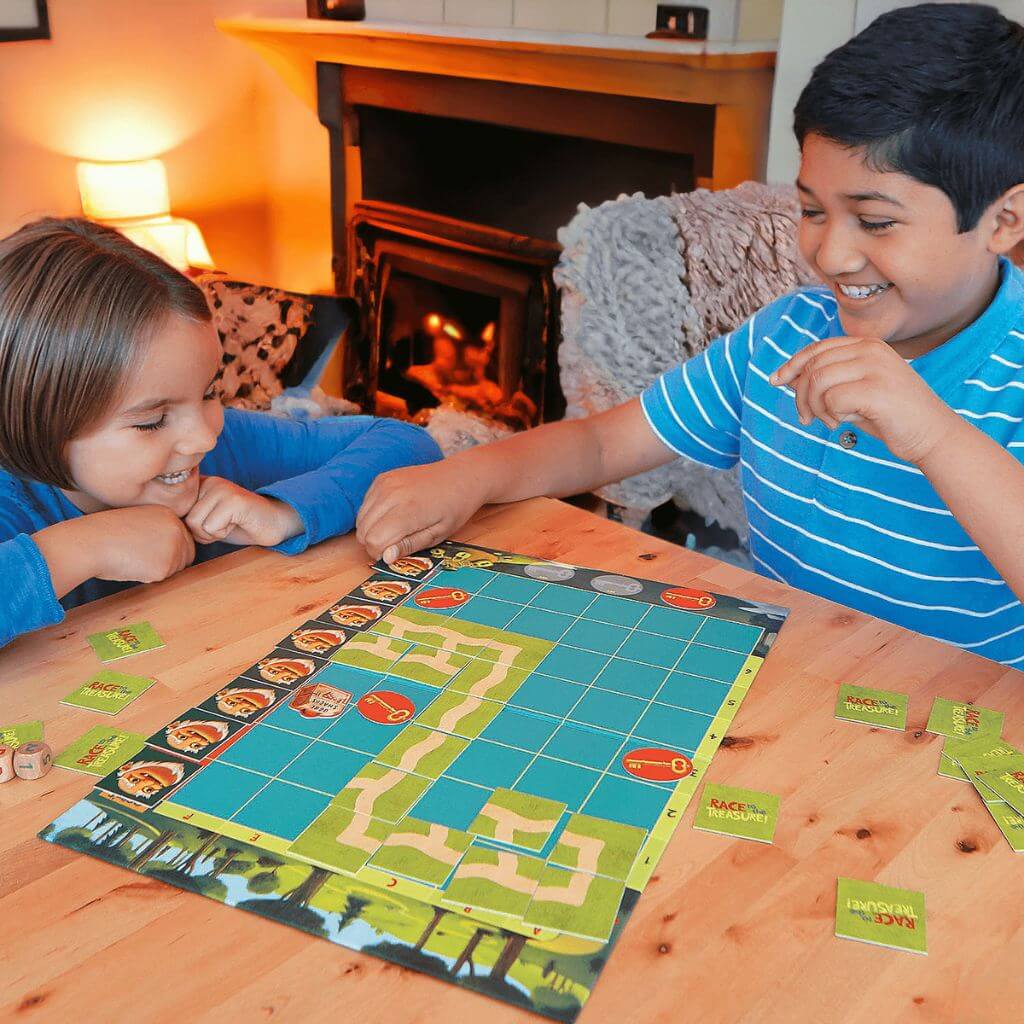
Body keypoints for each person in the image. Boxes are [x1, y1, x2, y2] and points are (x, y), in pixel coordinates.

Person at [357, 3, 1024, 666]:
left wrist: (931, 434)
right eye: (812, 210)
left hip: (954, 715)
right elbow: (602, 442)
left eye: (875, 221)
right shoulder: (785, 332)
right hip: (782, 681)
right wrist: (467, 476)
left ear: (1004, 221)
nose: (830, 255)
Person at [0, 217, 441, 648]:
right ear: (36, 423)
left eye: (210, 392)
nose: (204, 438)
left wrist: (282, 512)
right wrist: (79, 549)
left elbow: (406, 442)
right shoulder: (12, 504)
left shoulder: (223, 442)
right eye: (151, 420)